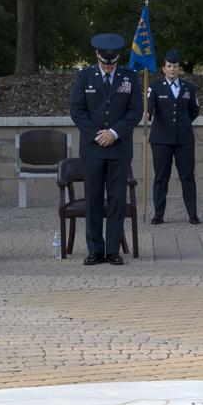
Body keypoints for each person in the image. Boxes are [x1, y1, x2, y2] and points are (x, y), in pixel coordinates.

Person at [69, 33, 143, 265]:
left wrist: (114, 133)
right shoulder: (84, 76)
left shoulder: (130, 77)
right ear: (97, 56)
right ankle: (94, 250)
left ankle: (112, 250)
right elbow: (77, 110)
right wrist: (97, 134)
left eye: (111, 63)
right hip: (92, 148)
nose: (108, 67)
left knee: (117, 199)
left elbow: (135, 110)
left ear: (117, 59)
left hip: (119, 148)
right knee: (92, 199)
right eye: (104, 62)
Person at [143, 49, 201, 224]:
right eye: (169, 66)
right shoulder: (154, 86)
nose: (172, 69)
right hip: (161, 139)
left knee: (187, 176)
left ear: (179, 69)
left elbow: (194, 111)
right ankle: (159, 214)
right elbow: (149, 109)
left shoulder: (189, 88)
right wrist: (146, 115)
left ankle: (192, 213)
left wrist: (181, 124)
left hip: (184, 139)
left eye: (175, 66)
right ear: (164, 68)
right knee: (161, 177)